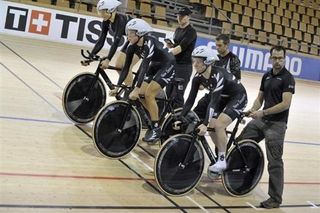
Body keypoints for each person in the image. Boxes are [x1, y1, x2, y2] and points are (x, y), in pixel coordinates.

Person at [236, 45, 295, 209]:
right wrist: (253, 110)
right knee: (241, 142)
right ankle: (240, 175)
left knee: (275, 162)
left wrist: (262, 113)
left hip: (277, 124)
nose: (277, 61)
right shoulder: (267, 76)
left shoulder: (288, 78)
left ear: (285, 58)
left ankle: (275, 199)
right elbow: (260, 98)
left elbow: (285, 104)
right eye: (274, 58)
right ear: (270, 58)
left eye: (280, 58)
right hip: (262, 121)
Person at [176, 46, 247, 173]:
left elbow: (213, 102)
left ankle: (222, 160)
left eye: (198, 61)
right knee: (213, 125)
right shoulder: (198, 77)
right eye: (194, 60)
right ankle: (221, 150)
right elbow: (190, 100)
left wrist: (204, 124)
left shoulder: (217, 75)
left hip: (238, 97)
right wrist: (181, 116)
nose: (195, 64)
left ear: (208, 61)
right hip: (223, 98)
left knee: (219, 125)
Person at [114, 18, 175, 143]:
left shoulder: (149, 43)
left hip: (167, 65)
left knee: (148, 94)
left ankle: (157, 128)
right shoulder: (132, 46)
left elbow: (144, 66)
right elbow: (126, 68)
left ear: (140, 33)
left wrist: (136, 89)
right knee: (141, 96)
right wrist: (117, 87)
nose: (128, 36)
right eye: (128, 32)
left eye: (131, 33)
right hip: (155, 65)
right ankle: (155, 117)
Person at [81, 0, 137, 86]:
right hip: (132, 40)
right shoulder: (106, 21)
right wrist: (90, 57)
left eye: (102, 12)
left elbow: (116, 42)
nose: (101, 15)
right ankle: (129, 87)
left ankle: (131, 91)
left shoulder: (120, 20)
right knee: (118, 66)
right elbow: (101, 40)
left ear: (110, 10)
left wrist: (108, 60)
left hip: (140, 42)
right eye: (100, 12)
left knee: (126, 66)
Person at [193, 34, 241, 121]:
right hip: (214, 93)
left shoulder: (234, 59)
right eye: (216, 45)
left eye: (220, 45)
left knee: (214, 121)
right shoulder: (215, 58)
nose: (217, 48)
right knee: (198, 109)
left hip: (225, 96)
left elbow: (237, 80)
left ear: (226, 45)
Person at [164, 7, 197, 109]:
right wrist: (171, 46)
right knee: (168, 93)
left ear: (188, 17)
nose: (179, 18)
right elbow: (177, 46)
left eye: (182, 16)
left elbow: (182, 47)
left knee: (177, 95)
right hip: (175, 64)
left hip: (184, 67)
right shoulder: (178, 30)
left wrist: (167, 54)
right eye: (178, 16)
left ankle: (179, 119)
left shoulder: (191, 31)